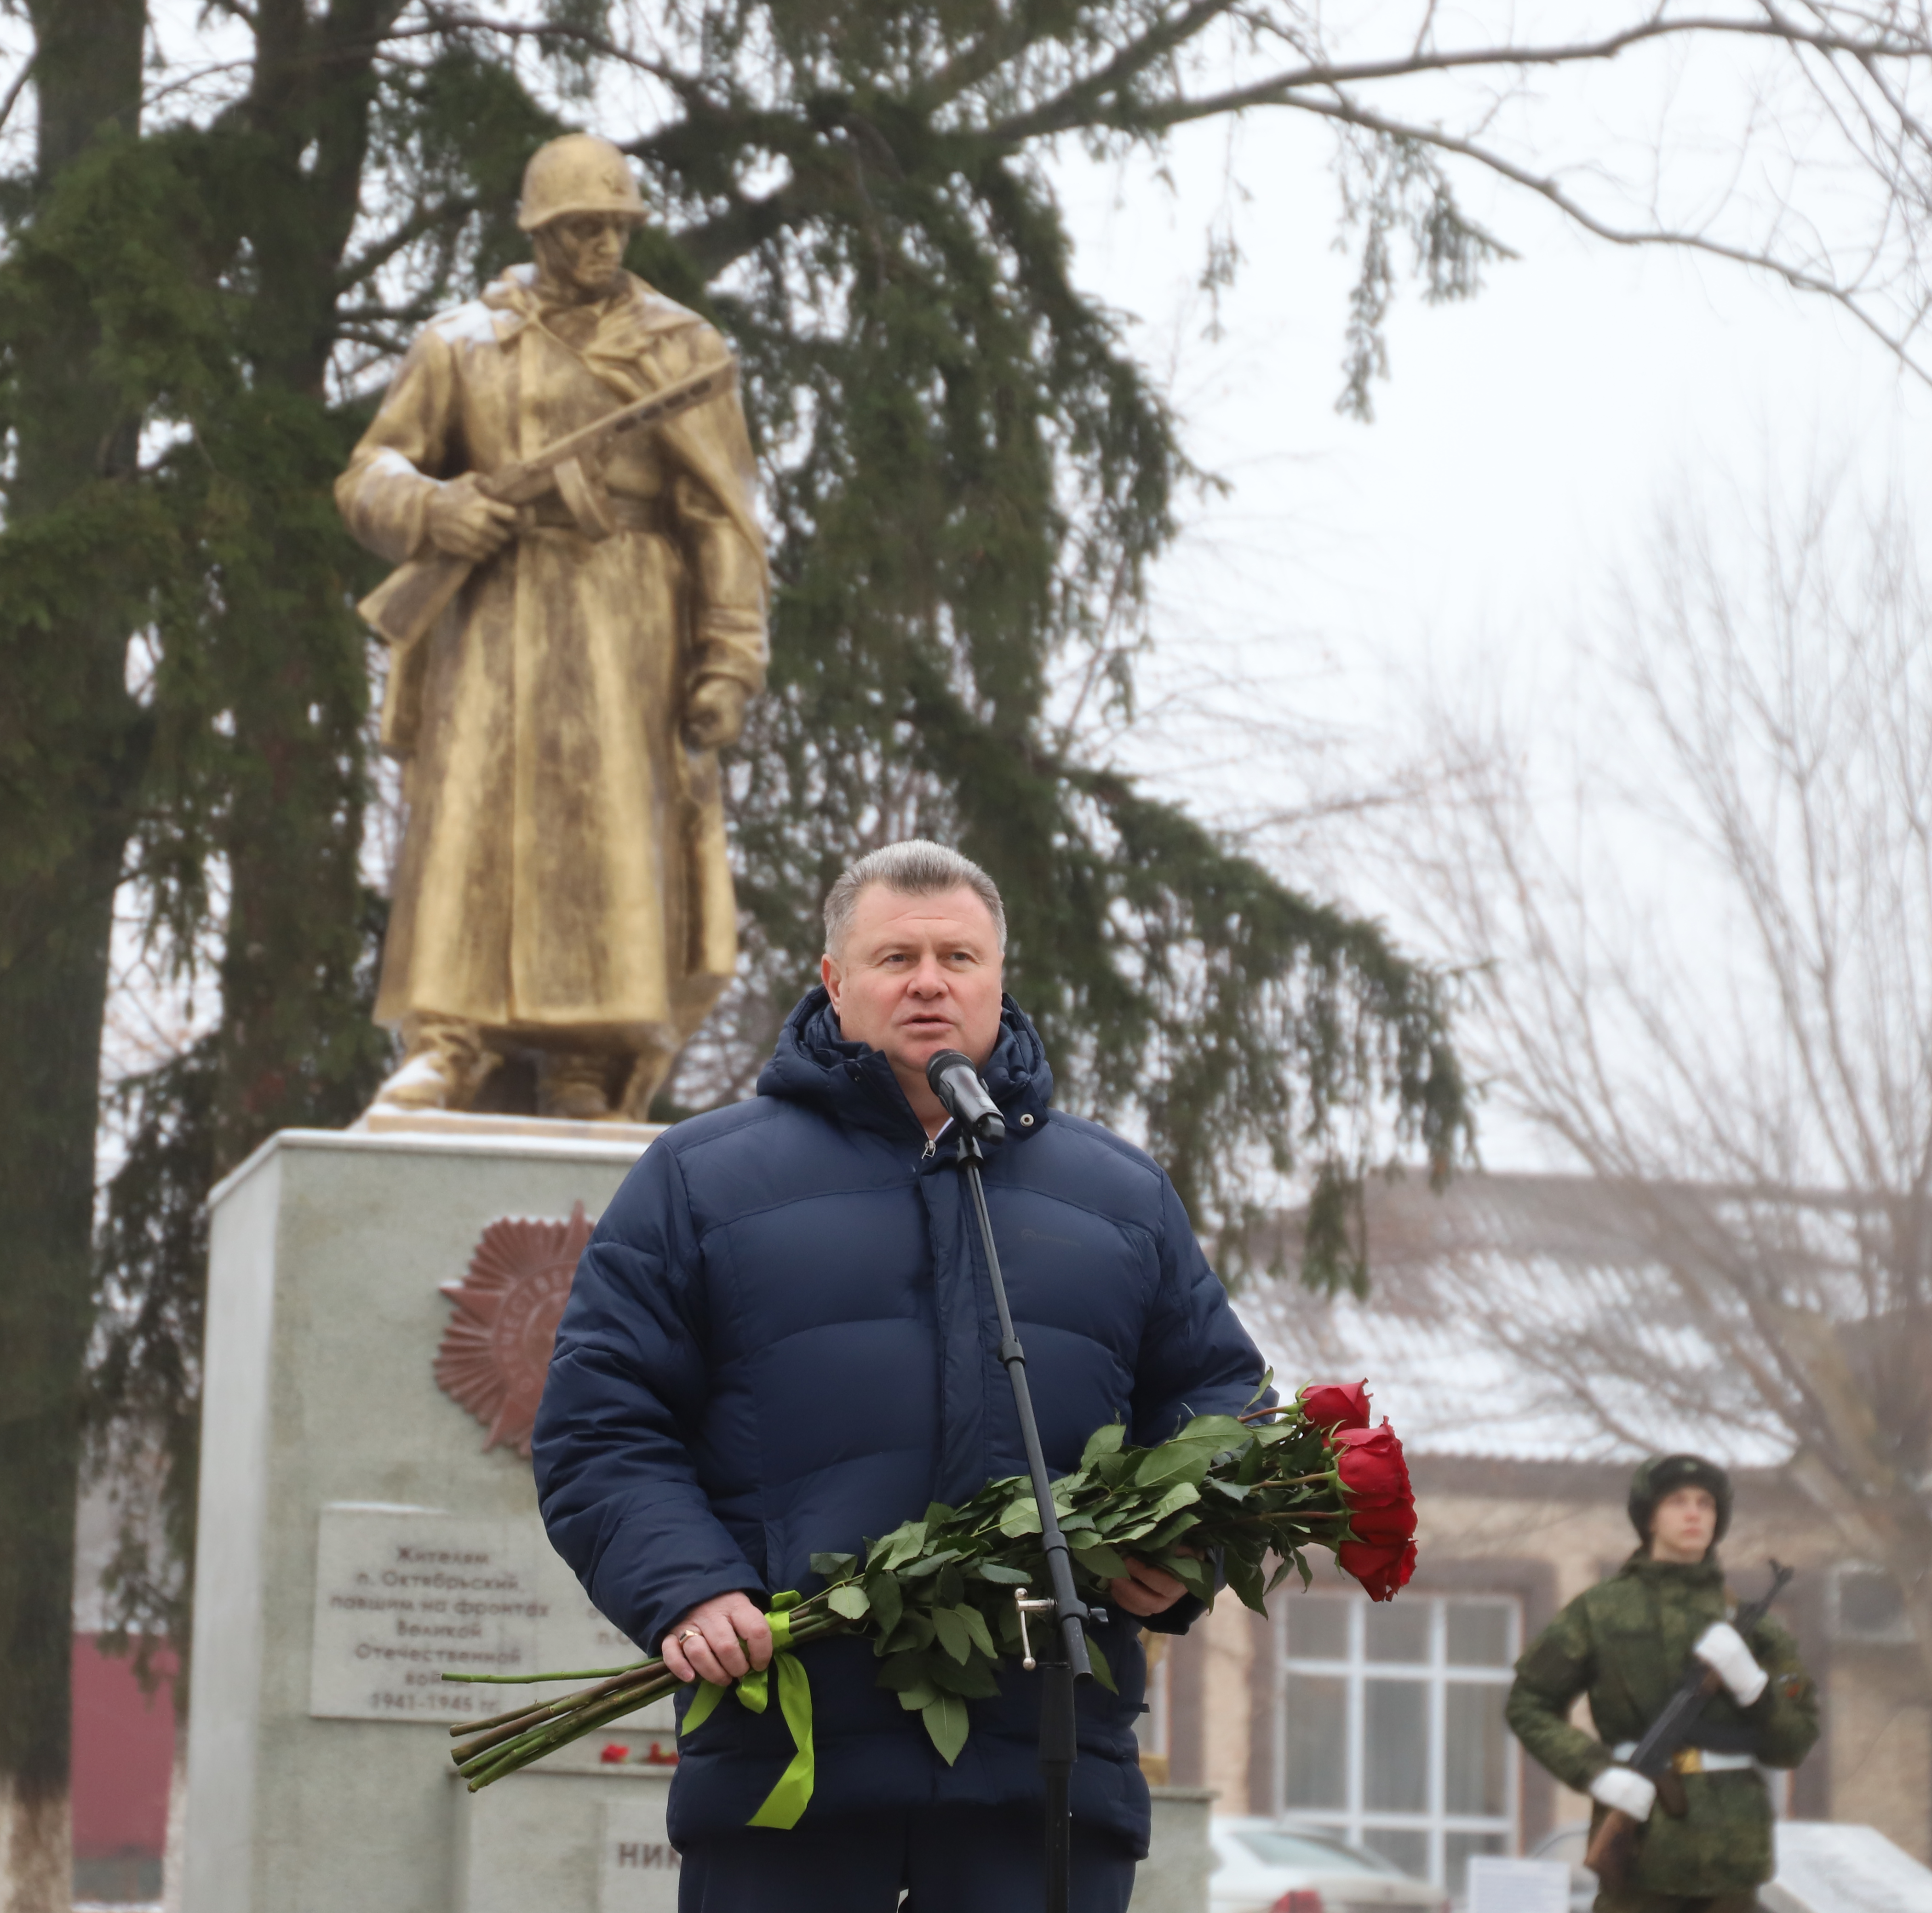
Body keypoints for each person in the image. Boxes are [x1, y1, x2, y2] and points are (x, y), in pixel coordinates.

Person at [532, 840, 1271, 1912]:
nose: (930, 980)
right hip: (790, 1765)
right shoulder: (699, 1179)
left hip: (1045, 1771)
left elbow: (1219, 1403)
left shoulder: (1117, 1195)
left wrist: (1182, 1543)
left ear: (998, 977)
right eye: (896, 956)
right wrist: (686, 1585)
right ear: (834, 983)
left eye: (957, 955)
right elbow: (600, 1424)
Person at [336, 132, 768, 1124]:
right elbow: (371, 475)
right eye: (580, 231)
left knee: (611, 835)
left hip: (631, 627)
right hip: (493, 614)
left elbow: (723, 521)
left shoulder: (682, 349)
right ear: (538, 231)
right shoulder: (460, 341)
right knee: (470, 825)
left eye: (616, 229)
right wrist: (438, 511)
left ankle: (587, 1058)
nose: (602, 248)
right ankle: (447, 1043)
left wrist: (728, 661)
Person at [1505, 1454, 1820, 1913]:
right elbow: (1529, 1703)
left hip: (1732, 1855)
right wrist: (1598, 1772)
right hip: (1644, 1849)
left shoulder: (1756, 1628)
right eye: (1677, 1501)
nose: (1694, 1513)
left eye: (1706, 1503)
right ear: (1649, 1516)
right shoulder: (1600, 1611)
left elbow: (1793, 1744)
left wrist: (1754, 1686)